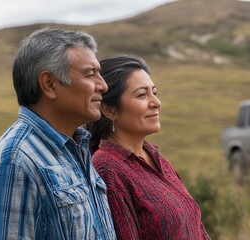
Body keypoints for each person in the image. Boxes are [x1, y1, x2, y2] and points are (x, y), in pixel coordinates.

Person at [0, 28, 116, 239]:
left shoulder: (75, 148)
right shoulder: (14, 162)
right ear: (49, 84)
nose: (103, 85)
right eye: (90, 74)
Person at [86, 54, 211, 240]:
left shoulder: (154, 156)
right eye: (142, 95)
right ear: (109, 109)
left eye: (155, 92)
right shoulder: (108, 170)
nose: (156, 103)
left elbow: (196, 228)